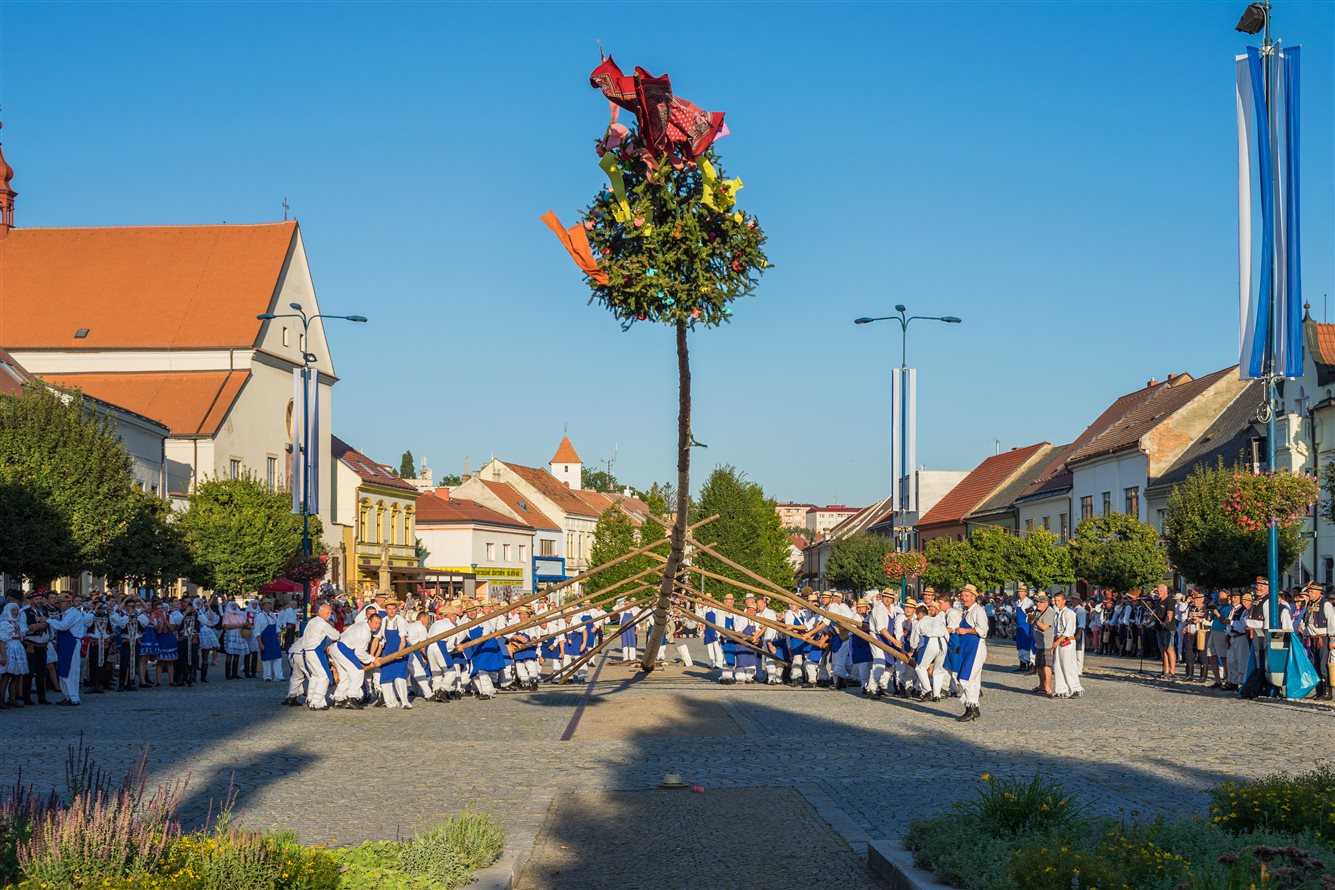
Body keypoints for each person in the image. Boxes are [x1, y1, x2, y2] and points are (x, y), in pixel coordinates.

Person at [47, 594, 93, 706]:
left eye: (60, 603)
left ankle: (74, 697)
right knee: (63, 670)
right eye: (58, 603)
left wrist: (48, 620)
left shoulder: (73, 614)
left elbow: (63, 626)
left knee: (71, 671)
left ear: (67, 603)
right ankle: (67, 696)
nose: (59, 605)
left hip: (71, 644)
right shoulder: (66, 613)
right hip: (65, 644)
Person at [952, 584, 988, 722]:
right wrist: (960, 646)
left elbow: (983, 631)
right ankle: (971, 708)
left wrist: (965, 631)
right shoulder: (967, 611)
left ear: (973, 597)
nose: (964, 598)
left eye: (967, 596)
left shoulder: (978, 611)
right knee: (971, 679)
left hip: (976, 648)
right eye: (962, 596)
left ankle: (972, 709)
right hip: (967, 648)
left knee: (966, 678)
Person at [331, 611, 380, 708]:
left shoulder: (360, 624)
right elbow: (359, 652)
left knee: (345, 675)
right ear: (369, 621)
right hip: (343, 648)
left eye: (379, 623)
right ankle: (351, 698)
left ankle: (339, 699)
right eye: (375, 623)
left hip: (336, 647)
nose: (377, 626)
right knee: (358, 671)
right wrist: (373, 659)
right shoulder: (365, 632)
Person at [298, 602, 340, 711]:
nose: (329, 615)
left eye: (330, 613)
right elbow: (336, 635)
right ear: (321, 612)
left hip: (307, 651)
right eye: (328, 613)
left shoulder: (312, 621)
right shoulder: (322, 623)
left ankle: (311, 698)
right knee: (324, 676)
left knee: (315, 676)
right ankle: (316, 702)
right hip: (316, 651)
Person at [1051, 592, 1083, 698]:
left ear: (1064, 601)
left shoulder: (1070, 613)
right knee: (1058, 665)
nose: (1056, 603)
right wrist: (1054, 642)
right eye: (1055, 600)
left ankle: (1075, 688)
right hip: (1058, 640)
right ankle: (1061, 689)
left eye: (1058, 600)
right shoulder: (1057, 614)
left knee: (1068, 665)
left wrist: (1057, 641)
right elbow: (1056, 630)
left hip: (1067, 642)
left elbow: (1068, 631)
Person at [0, 602, 29, 708]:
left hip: (18, 649)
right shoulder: (4, 623)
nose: (16, 612)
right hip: (9, 650)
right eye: (13, 610)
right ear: (8, 611)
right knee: (7, 675)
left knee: (17, 675)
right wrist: (4, 656)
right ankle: (1, 701)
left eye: (17, 610)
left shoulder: (16, 623)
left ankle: (12, 700)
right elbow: (1, 640)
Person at [1181, 590, 1210, 683]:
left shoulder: (1207, 609)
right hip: (1190, 632)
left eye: (1197, 599)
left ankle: (1203, 676)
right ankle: (1189, 675)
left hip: (1202, 633)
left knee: (1202, 654)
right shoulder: (1190, 608)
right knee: (1189, 653)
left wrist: (1200, 620)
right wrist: (1186, 624)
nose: (1195, 601)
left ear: (1202, 599)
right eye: (1194, 599)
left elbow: (1210, 622)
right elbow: (1183, 618)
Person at [1031, 593, 1055, 696]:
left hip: (1047, 643)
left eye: (1040, 602)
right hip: (1039, 643)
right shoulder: (1038, 612)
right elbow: (1030, 622)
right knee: (1039, 666)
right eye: (1037, 602)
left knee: (1046, 666)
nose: (1038, 604)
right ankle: (1041, 686)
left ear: (1046, 603)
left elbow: (1045, 627)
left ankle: (1048, 688)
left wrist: (1035, 620)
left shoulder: (1049, 612)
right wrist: (1030, 616)